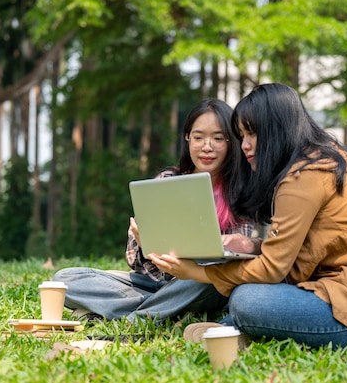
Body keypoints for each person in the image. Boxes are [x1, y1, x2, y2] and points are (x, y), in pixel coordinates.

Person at [149, 83, 347, 350]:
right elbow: (299, 241)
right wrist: (253, 243)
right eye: (241, 136)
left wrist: (198, 272)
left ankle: (236, 329)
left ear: (277, 131)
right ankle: (232, 331)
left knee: (247, 300)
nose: (244, 145)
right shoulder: (321, 161)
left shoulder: (302, 178)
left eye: (252, 134)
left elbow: (272, 270)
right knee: (251, 295)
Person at [52, 98, 256, 323]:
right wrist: (146, 243)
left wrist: (196, 263)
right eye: (198, 137)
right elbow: (134, 262)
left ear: (231, 142)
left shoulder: (242, 191)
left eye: (218, 138)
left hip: (200, 283)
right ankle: (168, 310)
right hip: (153, 284)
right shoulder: (167, 181)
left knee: (214, 275)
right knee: (63, 280)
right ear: (187, 138)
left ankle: (135, 318)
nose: (207, 147)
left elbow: (238, 261)